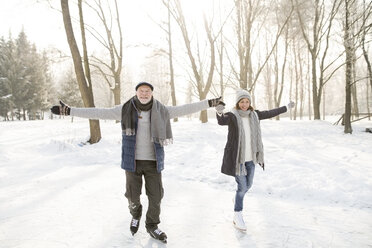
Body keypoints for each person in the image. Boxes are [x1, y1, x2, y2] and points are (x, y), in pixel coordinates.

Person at [51, 81, 223, 243]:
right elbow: (98, 112)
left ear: (151, 93)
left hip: (153, 162)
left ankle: (152, 226)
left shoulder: (162, 110)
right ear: (136, 92)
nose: (144, 93)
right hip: (131, 162)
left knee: (156, 197)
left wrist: (210, 103)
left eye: (147, 91)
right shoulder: (125, 109)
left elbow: (186, 108)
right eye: (141, 91)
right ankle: (136, 214)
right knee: (133, 197)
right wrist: (70, 110)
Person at [214, 89, 294, 231]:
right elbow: (221, 121)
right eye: (242, 101)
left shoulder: (255, 115)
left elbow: (271, 113)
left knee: (248, 185)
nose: (244, 104)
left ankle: (238, 197)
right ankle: (237, 214)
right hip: (238, 160)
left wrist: (286, 107)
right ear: (238, 103)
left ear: (250, 102)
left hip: (251, 159)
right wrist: (219, 110)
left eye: (247, 101)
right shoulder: (232, 116)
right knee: (242, 187)